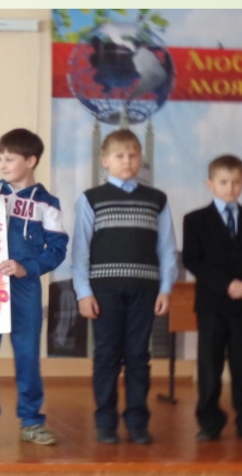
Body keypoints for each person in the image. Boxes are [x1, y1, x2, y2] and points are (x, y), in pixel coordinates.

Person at [72, 129, 177, 444]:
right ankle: (105, 422)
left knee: (138, 356)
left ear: (140, 158)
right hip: (104, 291)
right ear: (105, 161)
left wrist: (166, 288)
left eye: (133, 155)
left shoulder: (156, 200)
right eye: (119, 155)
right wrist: (83, 292)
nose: (127, 161)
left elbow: (167, 249)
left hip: (145, 290)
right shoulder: (91, 199)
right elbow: (80, 250)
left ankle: (137, 422)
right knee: (106, 355)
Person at [0, 128, 68, 447]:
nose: (2, 165)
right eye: (0, 158)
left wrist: (28, 268)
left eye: (9, 159)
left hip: (25, 288)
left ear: (31, 161)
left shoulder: (47, 204)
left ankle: (31, 420)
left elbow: (57, 249)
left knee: (27, 355)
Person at [182, 154, 242, 442]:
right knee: (209, 366)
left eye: (236, 182)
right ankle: (210, 422)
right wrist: (226, 285)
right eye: (224, 182)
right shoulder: (195, 220)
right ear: (210, 184)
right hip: (212, 306)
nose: (230, 188)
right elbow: (193, 259)